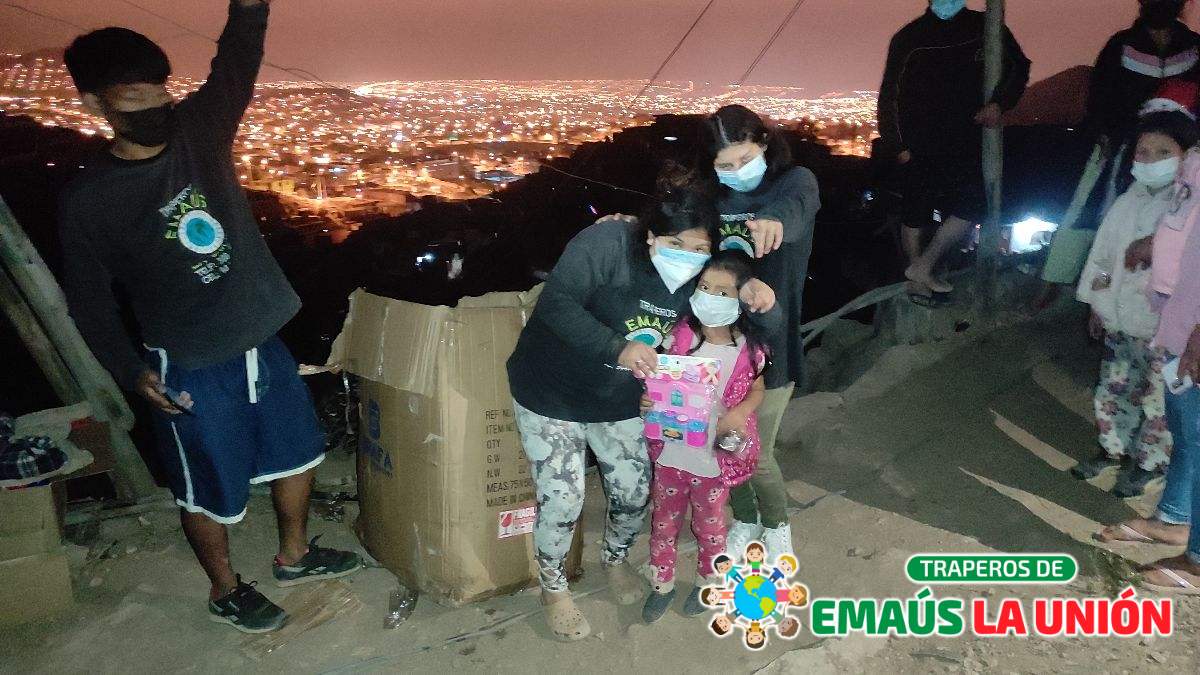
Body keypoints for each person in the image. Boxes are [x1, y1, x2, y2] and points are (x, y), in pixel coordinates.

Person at [58, 1, 360, 634]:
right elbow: (88, 301)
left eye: (161, 96)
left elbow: (237, 62)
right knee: (208, 487)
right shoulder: (89, 200)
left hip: (262, 335)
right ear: (95, 106)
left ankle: (295, 555)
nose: (155, 114)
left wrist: (250, 5)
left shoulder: (198, 130)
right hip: (190, 359)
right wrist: (129, 370)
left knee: (299, 454)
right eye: (135, 102)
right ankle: (225, 588)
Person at [506, 173, 780, 641]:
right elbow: (557, 304)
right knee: (563, 499)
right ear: (650, 234)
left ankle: (614, 559)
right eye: (675, 244)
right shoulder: (608, 244)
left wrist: (752, 283)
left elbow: (731, 290)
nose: (688, 258)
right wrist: (617, 347)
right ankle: (553, 588)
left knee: (633, 493)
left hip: (620, 402)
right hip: (551, 393)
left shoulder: (700, 274)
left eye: (699, 251)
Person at [704, 104, 821, 562]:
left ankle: (776, 525)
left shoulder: (794, 182)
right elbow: (684, 234)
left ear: (765, 145)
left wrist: (774, 221)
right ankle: (746, 517)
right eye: (724, 165)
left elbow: (792, 207)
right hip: (719, 348)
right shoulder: (713, 199)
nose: (736, 172)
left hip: (773, 347)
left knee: (758, 452)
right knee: (725, 443)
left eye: (744, 158)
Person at [1073, 111, 1198, 497]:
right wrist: (1097, 302)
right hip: (1120, 323)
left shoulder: (1187, 206)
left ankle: (1150, 464)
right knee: (1113, 389)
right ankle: (1112, 450)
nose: (1150, 160)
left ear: (1186, 156)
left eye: (1163, 151)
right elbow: (1104, 257)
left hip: (1160, 329)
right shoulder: (1127, 201)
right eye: (1143, 151)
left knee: (1157, 403)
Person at [641, 251, 770, 623]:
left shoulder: (752, 350)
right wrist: (648, 397)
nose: (710, 296)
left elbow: (757, 391)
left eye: (723, 291)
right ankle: (661, 584)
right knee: (663, 521)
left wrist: (739, 413)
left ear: (742, 299)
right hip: (671, 455)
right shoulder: (678, 337)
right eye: (704, 287)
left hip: (715, 460)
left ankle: (707, 581)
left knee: (711, 524)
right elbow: (656, 382)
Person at [876, 0, 1030, 303]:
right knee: (915, 211)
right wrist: (899, 146)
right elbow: (889, 96)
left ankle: (923, 267)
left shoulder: (984, 27)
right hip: (918, 143)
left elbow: (1018, 66)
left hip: (964, 138)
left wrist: (999, 103)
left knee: (972, 204)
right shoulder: (909, 38)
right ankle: (919, 280)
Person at [1088, 0, 1200, 207]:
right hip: (1129, 161)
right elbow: (1098, 106)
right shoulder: (1119, 47)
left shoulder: (1194, 48)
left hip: (1188, 161)